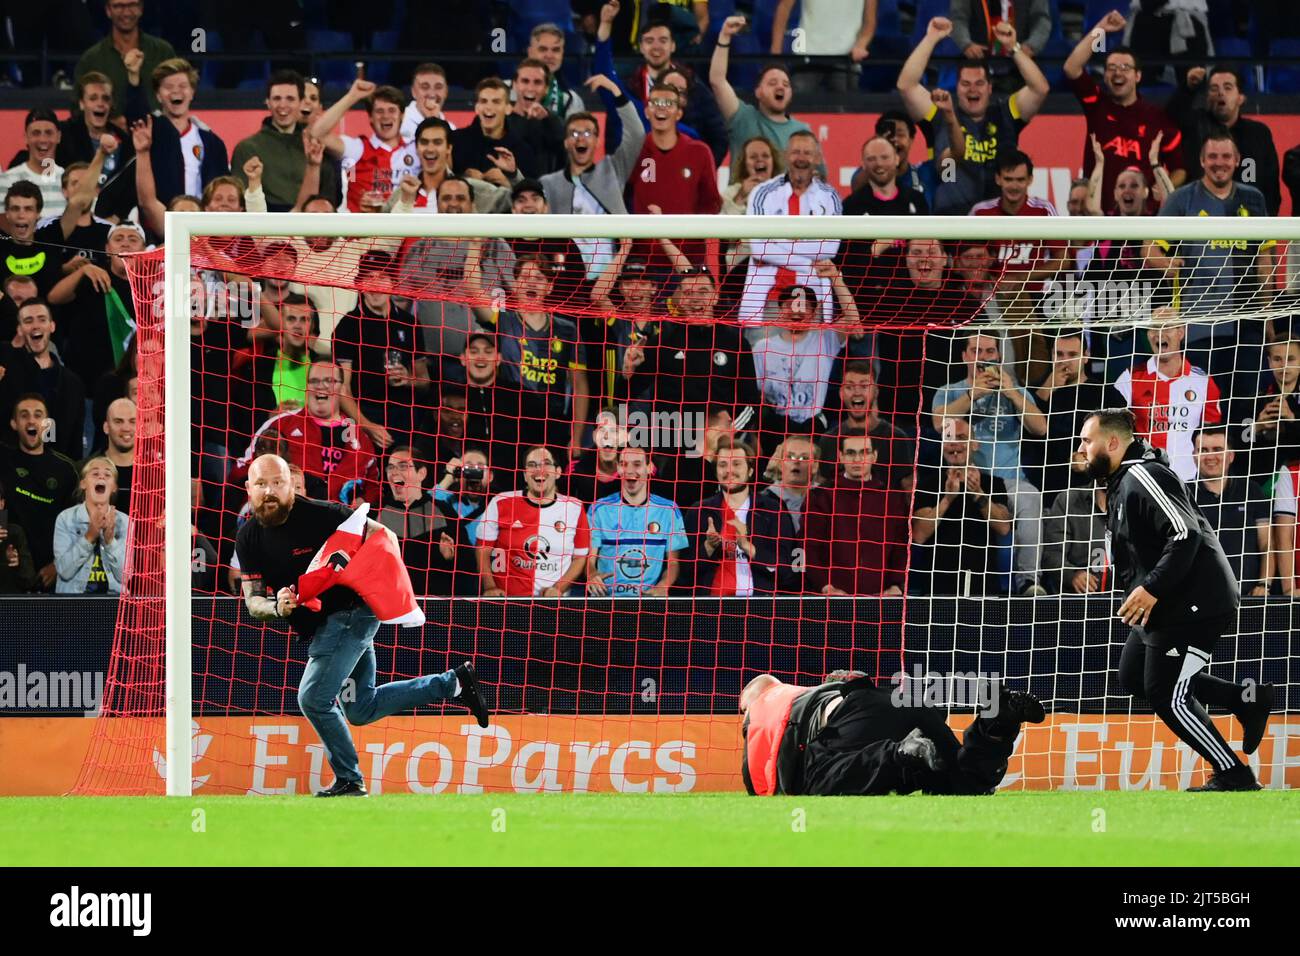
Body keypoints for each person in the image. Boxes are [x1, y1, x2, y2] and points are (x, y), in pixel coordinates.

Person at [236, 453, 489, 797]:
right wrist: (278, 608)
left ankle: (349, 780)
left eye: (278, 483)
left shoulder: (322, 514)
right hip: (320, 623)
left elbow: (384, 535)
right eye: (262, 484)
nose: (270, 491)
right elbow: (252, 602)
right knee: (360, 708)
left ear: (291, 487)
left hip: (352, 614)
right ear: (249, 488)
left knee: (312, 698)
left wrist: (389, 591)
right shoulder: (248, 537)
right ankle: (454, 683)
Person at [1077, 408, 1271, 791]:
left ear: (1113, 443)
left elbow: (1185, 535)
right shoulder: (1121, 479)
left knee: (1166, 694)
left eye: (1087, 440)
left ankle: (1234, 774)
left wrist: (1151, 588)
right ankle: (1243, 698)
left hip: (1195, 599)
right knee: (1133, 674)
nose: (1081, 448)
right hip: (1168, 599)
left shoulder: (1143, 476)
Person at [739, 671, 1045, 797]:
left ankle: (900, 753)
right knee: (964, 779)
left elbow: (764, 784)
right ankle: (997, 725)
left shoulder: (763, 708)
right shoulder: (817, 689)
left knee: (814, 777)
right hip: (905, 700)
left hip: (858, 717)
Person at [932, 333, 1048, 595]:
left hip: (1008, 482)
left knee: (1031, 497)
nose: (982, 357)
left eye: (989, 351)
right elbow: (939, 423)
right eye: (975, 350)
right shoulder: (949, 391)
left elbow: (1040, 428)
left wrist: (1011, 393)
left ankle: (1029, 582)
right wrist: (973, 395)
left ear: (998, 356)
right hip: (966, 478)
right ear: (964, 356)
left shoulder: (1013, 390)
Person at [897, 17, 1049, 215]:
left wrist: (1013, 48)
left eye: (979, 83)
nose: (972, 90)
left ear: (989, 88)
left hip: (998, 223)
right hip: (951, 222)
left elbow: (1040, 89)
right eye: (965, 84)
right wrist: (931, 38)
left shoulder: (1006, 112)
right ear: (957, 88)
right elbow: (906, 85)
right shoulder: (941, 112)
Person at [1151, 131, 1277, 325]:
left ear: (1237, 160)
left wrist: (1267, 316)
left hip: (1247, 316)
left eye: (1226, 156)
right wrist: (1167, 264)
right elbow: (1149, 248)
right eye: (1212, 156)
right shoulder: (1181, 199)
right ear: (1202, 161)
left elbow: (1264, 263)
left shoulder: (1254, 199)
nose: (1219, 162)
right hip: (1195, 315)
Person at [1064, 11, 1185, 212]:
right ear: (1105, 76)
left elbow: (1179, 169)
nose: (1117, 72)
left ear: (1138, 76)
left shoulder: (1157, 118)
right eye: (1111, 68)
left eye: (1125, 67)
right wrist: (1101, 28)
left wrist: (1161, 185)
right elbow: (1071, 67)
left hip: (1144, 220)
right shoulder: (1096, 105)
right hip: (1099, 218)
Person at [232, 359, 380, 507]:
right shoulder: (280, 424)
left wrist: (363, 502)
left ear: (342, 388)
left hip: (342, 523)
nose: (321, 386)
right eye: (314, 381)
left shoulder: (361, 439)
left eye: (330, 380)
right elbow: (242, 471)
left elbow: (373, 488)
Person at [749, 266, 864, 449]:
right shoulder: (761, 349)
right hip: (774, 430)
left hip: (813, 430)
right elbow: (754, 397)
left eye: (803, 305)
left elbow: (855, 324)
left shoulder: (825, 338)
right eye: (789, 305)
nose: (797, 311)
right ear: (779, 310)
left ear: (814, 311)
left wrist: (836, 279)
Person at [738, 132, 843, 327]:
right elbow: (760, 249)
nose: (801, 158)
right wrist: (810, 261)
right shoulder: (763, 192)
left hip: (814, 302)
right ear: (786, 155)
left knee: (814, 358)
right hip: (769, 302)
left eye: (807, 152)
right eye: (796, 152)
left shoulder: (830, 197)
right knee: (762, 357)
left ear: (818, 158)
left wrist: (779, 244)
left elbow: (829, 249)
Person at [1112, 311, 1223, 482]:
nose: (1159, 333)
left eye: (1167, 327)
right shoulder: (1129, 379)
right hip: (1145, 479)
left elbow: (1213, 434)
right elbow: (1111, 430)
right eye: (1154, 328)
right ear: (1148, 335)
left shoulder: (1202, 382)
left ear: (1181, 332)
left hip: (1189, 481)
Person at [912, 416, 1013, 597]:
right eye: (948, 439)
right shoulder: (927, 485)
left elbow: (1004, 527)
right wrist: (947, 499)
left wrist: (978, 493)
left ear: (974, 444)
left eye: (960, 438)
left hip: (983, 584)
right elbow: (918, 534)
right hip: (938, 586)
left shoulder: (994, 484)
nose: (954, 445)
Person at [1165, 66, 1281, 215]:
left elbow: (1271, 187)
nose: (1220, 93)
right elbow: (1169, 116)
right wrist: (1188, 89)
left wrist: (1265, 227)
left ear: (1241, 97)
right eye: (1214, 88)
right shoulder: (1195, 127)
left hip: (1248, 225)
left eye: (1228, 87)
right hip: (1199, 225)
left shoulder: (1258, 133)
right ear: (1207, 98)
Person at [477, 445, 590, 598]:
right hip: (508, 601)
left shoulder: (575, 508)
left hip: (553, 605)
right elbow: (483, 549)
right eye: (532, 465)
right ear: (524, 475)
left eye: (546, 463)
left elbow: (579, 558)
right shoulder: (500, 502)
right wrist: (489, 586)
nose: (539, 470)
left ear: (558, 472)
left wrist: (558, 588)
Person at [805, 431, 909, 596]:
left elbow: (901, 546)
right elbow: (808, 547)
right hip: (832, 598)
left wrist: (896, 585)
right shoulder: (821, 496)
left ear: (874, 457)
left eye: (864, 452)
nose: (857, 459)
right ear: (841, 456)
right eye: (851, 453)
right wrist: (825, 585)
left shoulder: (892, 498)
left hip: (881, 598)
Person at [711, 16, 820, 166]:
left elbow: (818, 177)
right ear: (758, 92)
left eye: (786, 84)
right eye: (772, 83)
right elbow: (717, 81)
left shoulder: (802, 131)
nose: (780, 87)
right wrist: (724, 36)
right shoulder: (742, 119)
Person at [124, 57, 230, 207]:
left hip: (201, 224)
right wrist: (134, 79)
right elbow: (136, 115)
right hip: (159, 222)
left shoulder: (212, 143)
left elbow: (222, 187)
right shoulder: (148, 133)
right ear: (158, 95)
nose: (176, 91)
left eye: (182, 86)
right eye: (168, 86)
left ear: (192, 92)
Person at [0, 394, 79, 591]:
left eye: (38, 415)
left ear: (47, 424)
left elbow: (77, 525)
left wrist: (57, 566)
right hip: (9, 569)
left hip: (52, 572)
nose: (32, 420)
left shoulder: (65, 468)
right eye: (24, 415)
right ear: (14, 423)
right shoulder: (3, 461)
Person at [586, 444, 688, 597]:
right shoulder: (598, 509)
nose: (630, 470)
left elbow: (673, 562)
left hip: (648, 600)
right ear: (618, 469)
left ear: (649, 467)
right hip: (606, 600)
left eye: (637, 464)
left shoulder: (669, 510)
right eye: (624, 464)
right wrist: (592, 575)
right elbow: (588, 560)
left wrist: (662, 586)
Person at [230, 70, 339, 213]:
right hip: (264, 230)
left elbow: (329, 199)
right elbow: (242, 204)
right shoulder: (247, 148)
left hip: (311, 229)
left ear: (301, 103)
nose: (283, 105)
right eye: (276, 98)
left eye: (290, 99)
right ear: (267, 102)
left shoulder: (316, 146)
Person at [378, 445, 474, 597]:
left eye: (403, 466)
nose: (394, 472)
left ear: (421, 473)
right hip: (389, 605)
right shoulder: (375, 514)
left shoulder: (444, 512)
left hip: (434, 607)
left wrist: (450, 558)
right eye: (390, 468)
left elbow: (468, 569)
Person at [310, 78, 417, 213]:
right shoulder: (357, 149)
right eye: (379, 111)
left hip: (406, 230)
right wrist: (352, 96)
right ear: (370, 117)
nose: (385, 116)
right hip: (363, 231)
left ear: (402, 115)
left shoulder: (415, 149)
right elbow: (317, 133)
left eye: (391, 110)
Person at [0, 299, 87, 461]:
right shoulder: (6, 362)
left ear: (52, 326)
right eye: (28, 321)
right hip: (10, 468)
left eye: (41, 319)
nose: (35, 326)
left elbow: (75, 443)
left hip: (56, 472)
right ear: (19, 330)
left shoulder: (72, 383)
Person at [1190, 427, 1270, 598]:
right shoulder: (1182, 494)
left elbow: (1267, 544)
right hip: (1196, 598)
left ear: (1231, 456)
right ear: (1194, 455)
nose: (1210, 456)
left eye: (1218, 450)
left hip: (1248, 597)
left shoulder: (1251, 491)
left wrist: (1264, 584)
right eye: (1203, 450)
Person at [818, 361, 914, 492]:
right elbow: (822, 490)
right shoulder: (828, 440)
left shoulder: (896, 438)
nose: (857, 393)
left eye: (864, 386)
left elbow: (908, 490)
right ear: (841, 393)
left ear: (875, 392)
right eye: (850, 387)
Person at [75, 0, 177, 115]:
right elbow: (77, 109)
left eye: (132, 5)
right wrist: (112, 124)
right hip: (109, 132)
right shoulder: (91, 59)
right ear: (108, 10)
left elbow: (175, 97)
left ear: (141, 9)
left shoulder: (162, 52)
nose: (126, 12)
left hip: (155, 131)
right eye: (118, 6)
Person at [52, 456, 127, 594]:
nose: (101, 477)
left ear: (114, 487)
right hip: (74, 603)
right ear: (83, 484)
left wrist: (110, 541)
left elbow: (126, 577)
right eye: (95, 473)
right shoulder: (66, 519)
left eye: (107, 474)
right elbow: (64, 571)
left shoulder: (125, 522)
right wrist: (89, 536)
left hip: (113, 605)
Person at [772, 0, 876, 92]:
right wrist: (775, 55)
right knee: (797, 110)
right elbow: (784, 8)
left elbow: (870, 22)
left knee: (844, 111)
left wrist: (861, 45)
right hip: (807, 56)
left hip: (846, 59)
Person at [1039, 480, 1110, 596]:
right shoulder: (1068, 501)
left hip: (1125, 599)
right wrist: (1072, 575)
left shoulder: (1132, 499)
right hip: (1077, 600)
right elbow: (1052, 555)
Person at [0, 182, 66, 297]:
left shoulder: (51, 240)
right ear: (7, 213)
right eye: (15, 209)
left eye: (28, 209)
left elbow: (78, 203)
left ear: (38, 213)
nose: (21, 215)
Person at [0, 109, 66, 217]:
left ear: (58, 137)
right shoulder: (5, 180)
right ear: (26, 137)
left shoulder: (70, 181)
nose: (43, 140)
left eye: (48, 133)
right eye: (36, 133)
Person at [841, 137, 928, 217]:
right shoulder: (851, 206)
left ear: (896, 159)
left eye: (885, 157)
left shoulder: (917, 200)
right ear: (863, 164)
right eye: (871, 159)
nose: (879, 164)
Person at [399, 62, 456, 140]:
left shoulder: (451, 129)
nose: (432, 94)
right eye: (425, 87)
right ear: (413, 92)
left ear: (446, 92)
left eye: (438, 87)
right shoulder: (399, 122)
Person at [100, 397, 136, 516]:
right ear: (106, 427)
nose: (126, 428)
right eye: (118, 421)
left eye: (132, 421)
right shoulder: (85, 469)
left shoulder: (157, 473)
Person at [0, 481, 38, 593]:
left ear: (2, 504)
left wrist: (18, 564)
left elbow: (29, 581)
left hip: (10, 604)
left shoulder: (15, 532)